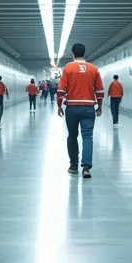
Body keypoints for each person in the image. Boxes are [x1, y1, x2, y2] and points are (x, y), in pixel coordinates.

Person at [57, 43, 104, 178]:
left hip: (72, 108)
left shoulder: (68, 68)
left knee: (72, 136)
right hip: (88, 108)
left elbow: (61, 90)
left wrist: (59, 106)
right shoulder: (93, 69)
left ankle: (73, 165)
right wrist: (99, 106)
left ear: (72, 53)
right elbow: (99, 91)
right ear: (84, 53)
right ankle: (86, 168)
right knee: (87, 137)